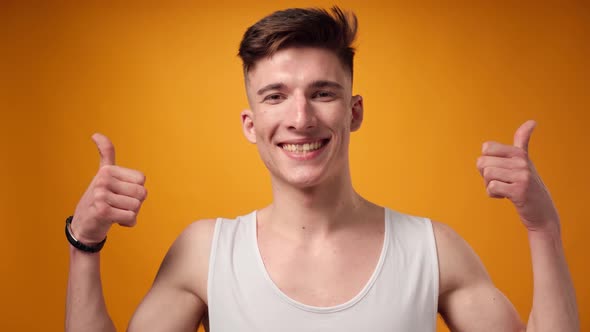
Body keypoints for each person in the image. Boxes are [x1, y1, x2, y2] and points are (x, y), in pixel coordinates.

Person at [65, 6, 579, 332]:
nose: (300, 118)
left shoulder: (432, 249)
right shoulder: (205, 253)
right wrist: (85, 244)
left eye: (323, 93)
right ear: (251, 123)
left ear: (354, 112)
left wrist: (543, 229)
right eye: (275, 96)